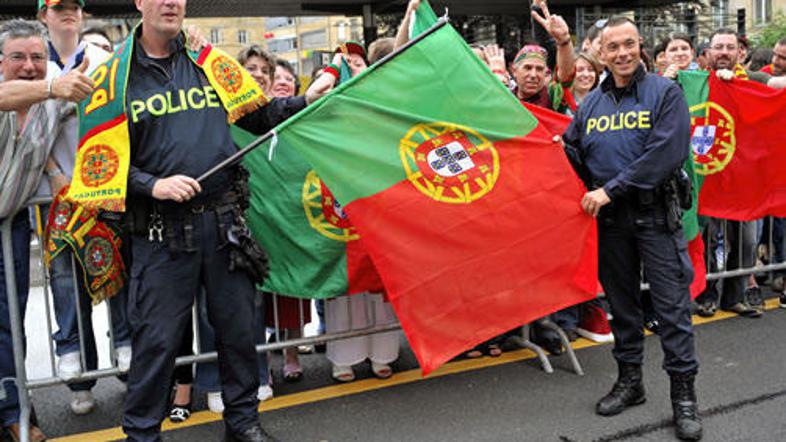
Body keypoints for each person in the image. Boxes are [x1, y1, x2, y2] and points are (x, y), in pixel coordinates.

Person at [72, 1, 334, 440]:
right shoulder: (111, 78)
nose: (171, 2)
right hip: (160, 232)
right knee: (155, 344)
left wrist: (303, 100)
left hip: (224, 224)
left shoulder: (210, 61)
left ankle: (243, 424)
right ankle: (141, 434)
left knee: (237, 335)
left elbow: (259, 115)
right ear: (140, 2)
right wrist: (152, 184)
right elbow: (96, 166)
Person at [562, 16, 702, 441]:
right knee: (623, 310)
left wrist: (610, 189)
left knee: (672, 312)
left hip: (656, 217)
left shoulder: (665, 92)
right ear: (601, 53)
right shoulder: (591, 105)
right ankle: (631, 382)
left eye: (628, 44)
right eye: (612, 47)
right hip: (612, 224)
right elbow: (571, 147)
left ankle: (684, 397)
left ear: (640, 45)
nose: (621, 53)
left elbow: (666, 153)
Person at [0, 18, 95, 442]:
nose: (28, 66)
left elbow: (96, 109)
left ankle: (14, 414)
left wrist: (56, 170)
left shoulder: (54, 99)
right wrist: (53, 86)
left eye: (38, 57)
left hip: (12, 224)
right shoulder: (45, 90)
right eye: (18, 57)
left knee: (8, 324)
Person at [37, 0, 133, 416]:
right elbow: (24, 127)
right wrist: (54, 172)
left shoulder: (102, 60)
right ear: (44, 14)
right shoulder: (33, 63)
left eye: (74, 7)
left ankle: (128, 355)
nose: (68, 13)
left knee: (116, 272)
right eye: (59, 8)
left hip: (105, 187)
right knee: (66, 281)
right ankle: (79, 376)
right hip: (56, 191)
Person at [694, 28, 781, 320]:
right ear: (708, 52)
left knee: (746, 242)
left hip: (746, 181)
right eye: (718, 47)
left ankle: (734, 296)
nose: (723, 52)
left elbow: (779, 85)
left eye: (729, 47)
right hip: (710, 176)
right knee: (707, 242)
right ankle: (707, 295)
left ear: (739, 53)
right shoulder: (696, 82)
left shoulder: (755, 80)